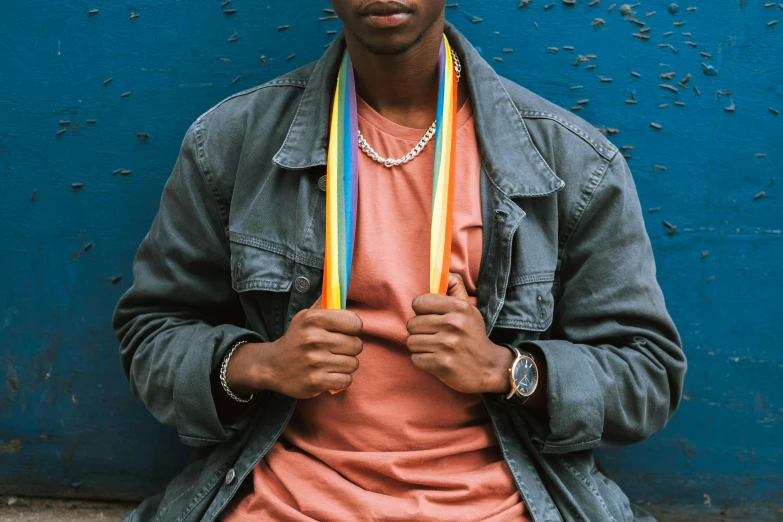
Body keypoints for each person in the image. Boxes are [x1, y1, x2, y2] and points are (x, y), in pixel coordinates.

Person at [112, 1, 686, 521]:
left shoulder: (572, 163)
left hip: (500, 503)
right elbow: (151, 332)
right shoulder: (232, 143)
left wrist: (509, 370)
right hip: (283, 498)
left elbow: (649, 377)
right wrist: (259, 364)